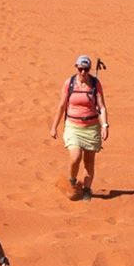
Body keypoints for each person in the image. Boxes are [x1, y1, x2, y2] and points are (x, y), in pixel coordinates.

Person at [47, 55, 108, 200]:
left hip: (92, 127)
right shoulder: (70, 83)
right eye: (80, 69)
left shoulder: (95, 83)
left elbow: (102, 107)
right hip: (73, 126)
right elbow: (62, 106)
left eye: (86, 69)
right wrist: (54, 126)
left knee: (89, 162)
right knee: (75, 157)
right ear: (76, 67)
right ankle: (72, 180)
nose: (83, 72)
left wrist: (105, 125)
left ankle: (86, 189)